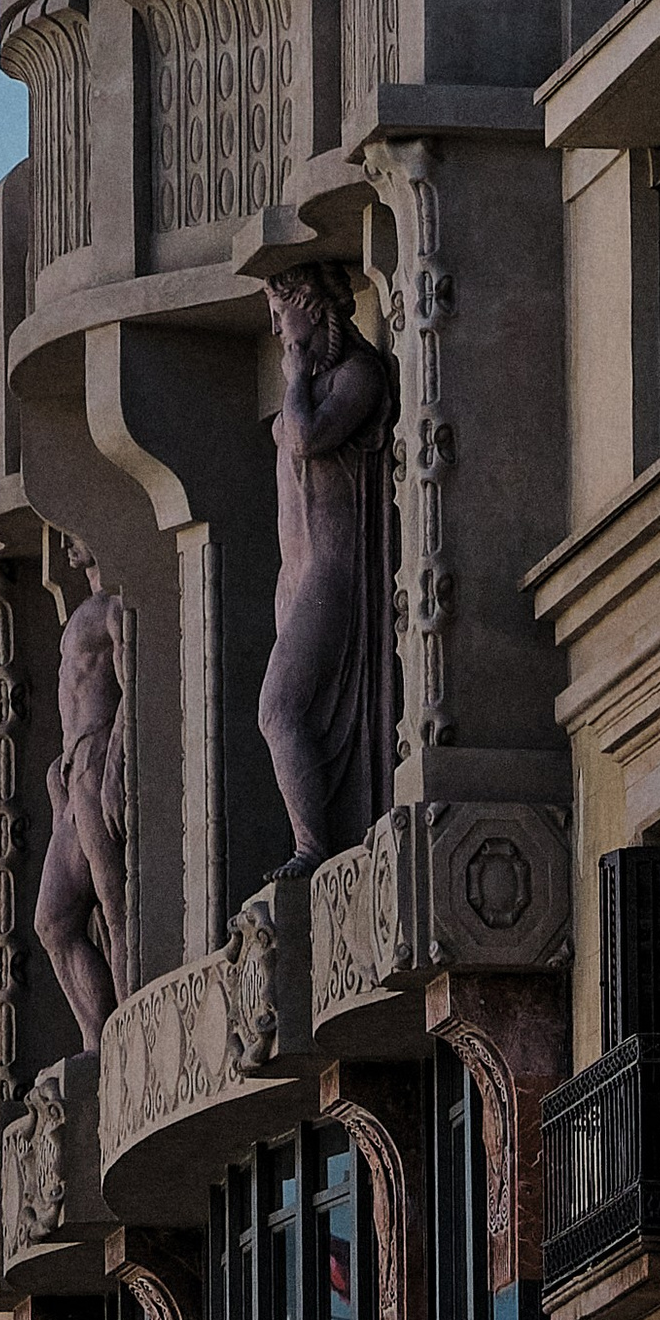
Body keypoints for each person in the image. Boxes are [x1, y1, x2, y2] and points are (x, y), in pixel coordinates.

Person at [259, 265, 394, 874]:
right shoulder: (313, 384)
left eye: (282, 314)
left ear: (313, 309)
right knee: (289, 712)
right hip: (297, 578)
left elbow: (308, 439)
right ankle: (313, 841)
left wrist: (292, 378)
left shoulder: (357, 375)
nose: (277, 329)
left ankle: (313, 847)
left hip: (333, 575)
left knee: (277, 709)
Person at [33, 541, 129, 1048]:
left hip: (94, 761)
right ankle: (98, 1037)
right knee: (53, 921)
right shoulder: (80, 614)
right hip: (71, 775)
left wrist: (113, 761)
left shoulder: (115, 606)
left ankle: (129, 1026)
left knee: (115, 903)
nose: (70, 541)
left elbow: (133, 686)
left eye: (78, 529)